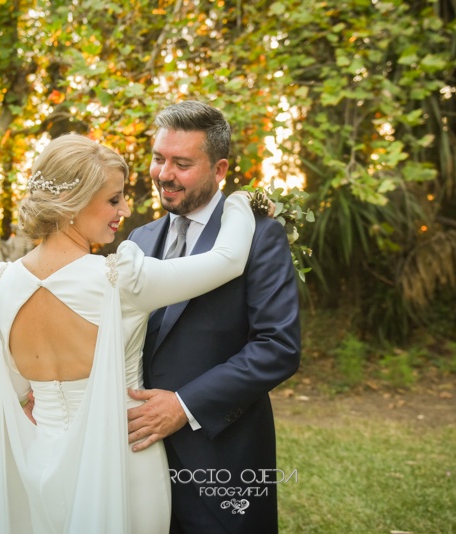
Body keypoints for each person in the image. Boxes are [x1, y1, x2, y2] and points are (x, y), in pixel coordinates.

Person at [0, 132, 258, 533]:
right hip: (126, 461)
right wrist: (243, 202)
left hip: (42, 464)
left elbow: (21, 393)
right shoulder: (119, 278)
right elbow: (227, 260)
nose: (125, 209)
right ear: (72, 202)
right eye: (113, 199)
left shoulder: (0, 285)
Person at [127, 101, 301, 533]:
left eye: (181, 163)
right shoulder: (139, 237)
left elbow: (277, 347)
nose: (164, 174)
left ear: (219, 169)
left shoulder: (261, 236)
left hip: (222, 455)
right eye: (158, 158)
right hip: (137, 455)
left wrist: (183, 406)